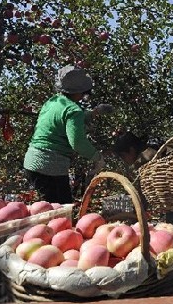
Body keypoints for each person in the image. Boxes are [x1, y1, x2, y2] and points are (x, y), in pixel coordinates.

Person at [23, 65, 112, 204]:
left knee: (44, 209)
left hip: (32, 161)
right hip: (49, 167)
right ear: (77, 91)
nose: (83, 96)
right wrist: (97, 157)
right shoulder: (73, 110)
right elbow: (77, 142)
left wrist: (93, 113)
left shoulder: (52, 101)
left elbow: (62, 117)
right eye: (83, 93)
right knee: (60, 212)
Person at [112, 131, 173, 226]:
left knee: (172, 204)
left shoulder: (146, 158)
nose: (123, 160)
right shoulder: (151, 148)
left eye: (123, 156)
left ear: (131, 150)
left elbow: (142, 192)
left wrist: (135, 216)